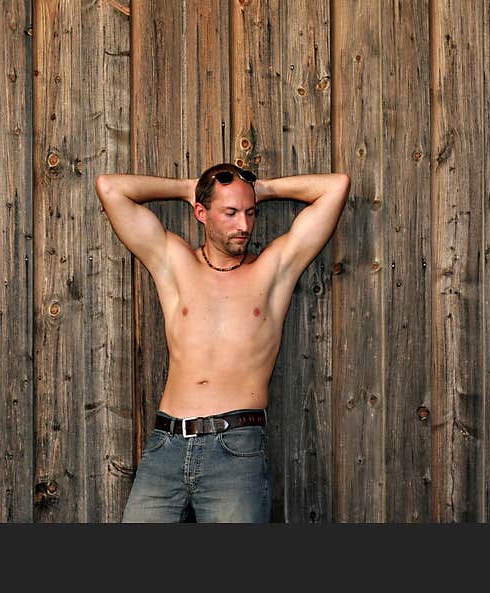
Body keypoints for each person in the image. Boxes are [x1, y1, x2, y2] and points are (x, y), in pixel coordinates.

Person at [95, 162, 350, 522]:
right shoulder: (174, 262)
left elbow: (336, 187)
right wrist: (188, 187)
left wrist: (263, 190)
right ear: (201, 212)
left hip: (236, 450)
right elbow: (110, 187)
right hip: (166, 445)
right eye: (230, 213)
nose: (244, 225)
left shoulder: (273, 269)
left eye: (250, 213)